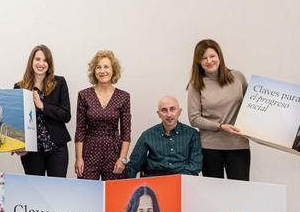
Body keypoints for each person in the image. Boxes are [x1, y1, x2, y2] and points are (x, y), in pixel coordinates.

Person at [186, 39, 250, 181]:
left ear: (219, 56)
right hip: (210, 148)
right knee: (214, 196)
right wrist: (220, 127)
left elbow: (252, 106)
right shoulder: (196, 85)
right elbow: (194, 118)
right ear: (198, 62)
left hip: (238, 145)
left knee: (240, 193)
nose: (209, 61)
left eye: (212, 56)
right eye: (203, 58)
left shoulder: (238, 77)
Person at [14, 44, 72, 177]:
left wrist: (43, 106)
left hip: (57, 148)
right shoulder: (19, 87)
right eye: (37, 59)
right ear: (31, 62)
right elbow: (17, 121)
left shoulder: (59, 82)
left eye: (45, 60)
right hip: (31, 150)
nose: (41, 63)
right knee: (35, 191)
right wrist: (17, 144)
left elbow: (66, 115)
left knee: (57, 190)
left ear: (49, 64)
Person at [74, 50, 131, 180]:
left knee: (114, 195)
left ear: (113, 70)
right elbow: (80, 130)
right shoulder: (84, 95)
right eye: (98, 67)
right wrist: (79, 158)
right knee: (86, 193)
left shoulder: (123, 97)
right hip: (89, 150)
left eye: (106, 67)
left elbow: (126, 132)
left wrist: (122, 159)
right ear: (94, 71)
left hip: (114, 151)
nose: (102, 71)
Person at [125, 96, 202, 178]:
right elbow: (133, 165)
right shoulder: (147, 135)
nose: (168, 114)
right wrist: (128, 187)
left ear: (179, 112)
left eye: (172, 109)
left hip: (182, 181)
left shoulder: (192, 134)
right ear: (159, 114)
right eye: (164, 110)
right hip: (154, 181)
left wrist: (176, 180)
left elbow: (195, 165)